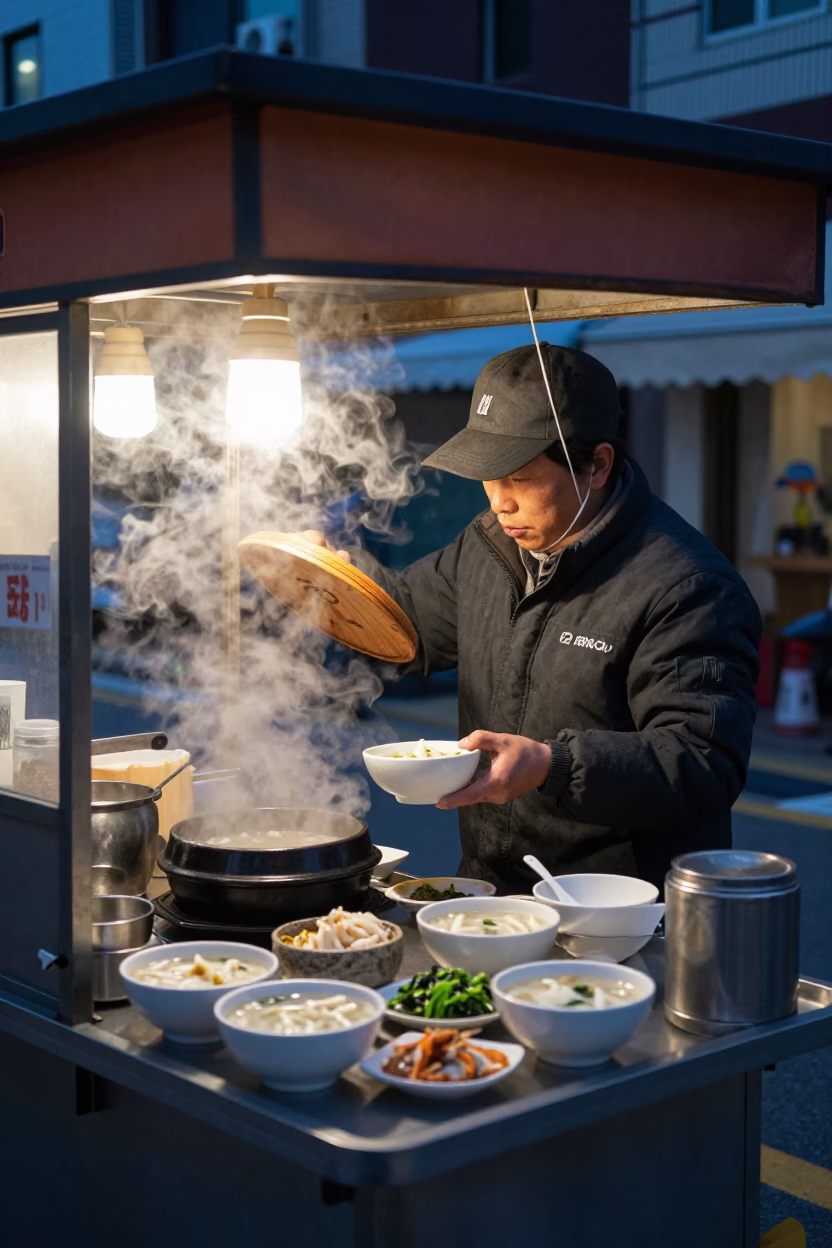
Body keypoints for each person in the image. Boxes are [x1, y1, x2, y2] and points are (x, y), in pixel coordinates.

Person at [302, 343, 761, 894]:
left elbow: (702, 763)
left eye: (519, 478)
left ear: (597, 465)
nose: (499, 502)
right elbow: (407, 624)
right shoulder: (488, 545)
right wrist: (333, 585)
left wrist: (553, 764)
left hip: (617, 909)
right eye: (488, 477)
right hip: (494, 891)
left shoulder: (687, 586)